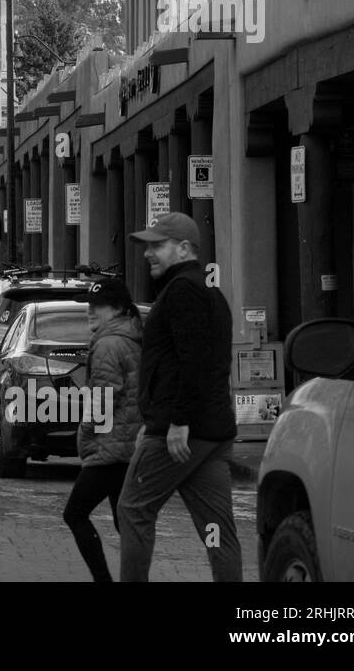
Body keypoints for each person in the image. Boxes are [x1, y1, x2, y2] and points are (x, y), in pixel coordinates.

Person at [117, 212, 242, 581]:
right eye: (147, 246)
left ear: (185, 248)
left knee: (133, 508)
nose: (148, 254)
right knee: (217, 529)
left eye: (157, 246)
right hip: (212, 435)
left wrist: (175, 423)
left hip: (181, 433)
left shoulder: (183, 291)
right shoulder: (208, 291)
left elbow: (195, 361)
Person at [62, 278, 143, 582]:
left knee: (75, 513)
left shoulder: (110, 343)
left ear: (119, 308)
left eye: (98, 306)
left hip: (111, 448)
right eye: (89, 305)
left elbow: (103, 398)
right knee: (127, 523)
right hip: (130, 445)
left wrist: (84, 435)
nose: (90, 311)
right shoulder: (131, 335)